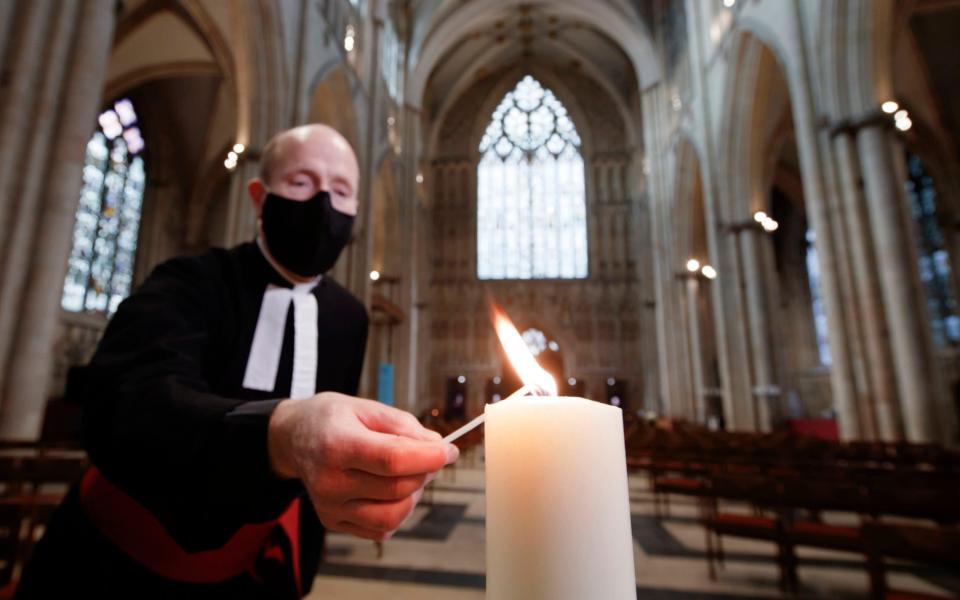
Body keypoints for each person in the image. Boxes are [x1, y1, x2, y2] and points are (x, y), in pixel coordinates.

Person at [16, 124, 457, 599]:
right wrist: (280, 433)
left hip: (254, 574)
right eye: (302, 183)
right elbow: (128, 402)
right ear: (258, 198)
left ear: (355, 212)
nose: (323, 203)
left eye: (341, 190)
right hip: (112, 565)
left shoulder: (348, 316)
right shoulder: (188, 281)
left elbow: (311, 487)